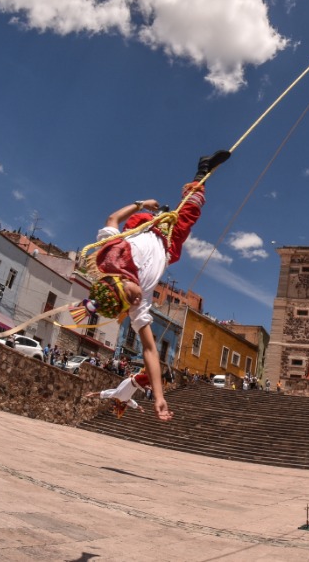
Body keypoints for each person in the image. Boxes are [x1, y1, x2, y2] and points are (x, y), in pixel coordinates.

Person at [88, 149, 230, 421]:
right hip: (168, 245)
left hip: (145, 225)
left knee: (142, 220)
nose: (137, 300)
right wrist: (159, 397)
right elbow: (150, 350)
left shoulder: (111, 255)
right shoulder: (137, 305)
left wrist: (141, 203)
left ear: (120, 282)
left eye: (130, 297)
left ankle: (163, 209)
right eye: (131, 303)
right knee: (192, 208)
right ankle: (203, 170)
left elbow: (112, 220)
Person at [84, 371, 151, 418]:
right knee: (151, 378)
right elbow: (133, 404)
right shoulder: (126, 400)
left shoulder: (117, 395)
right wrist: (139, 407)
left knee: (151, 376)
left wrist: (93, 393)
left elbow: (104, 393)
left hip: (135, 380)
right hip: (137, 383)